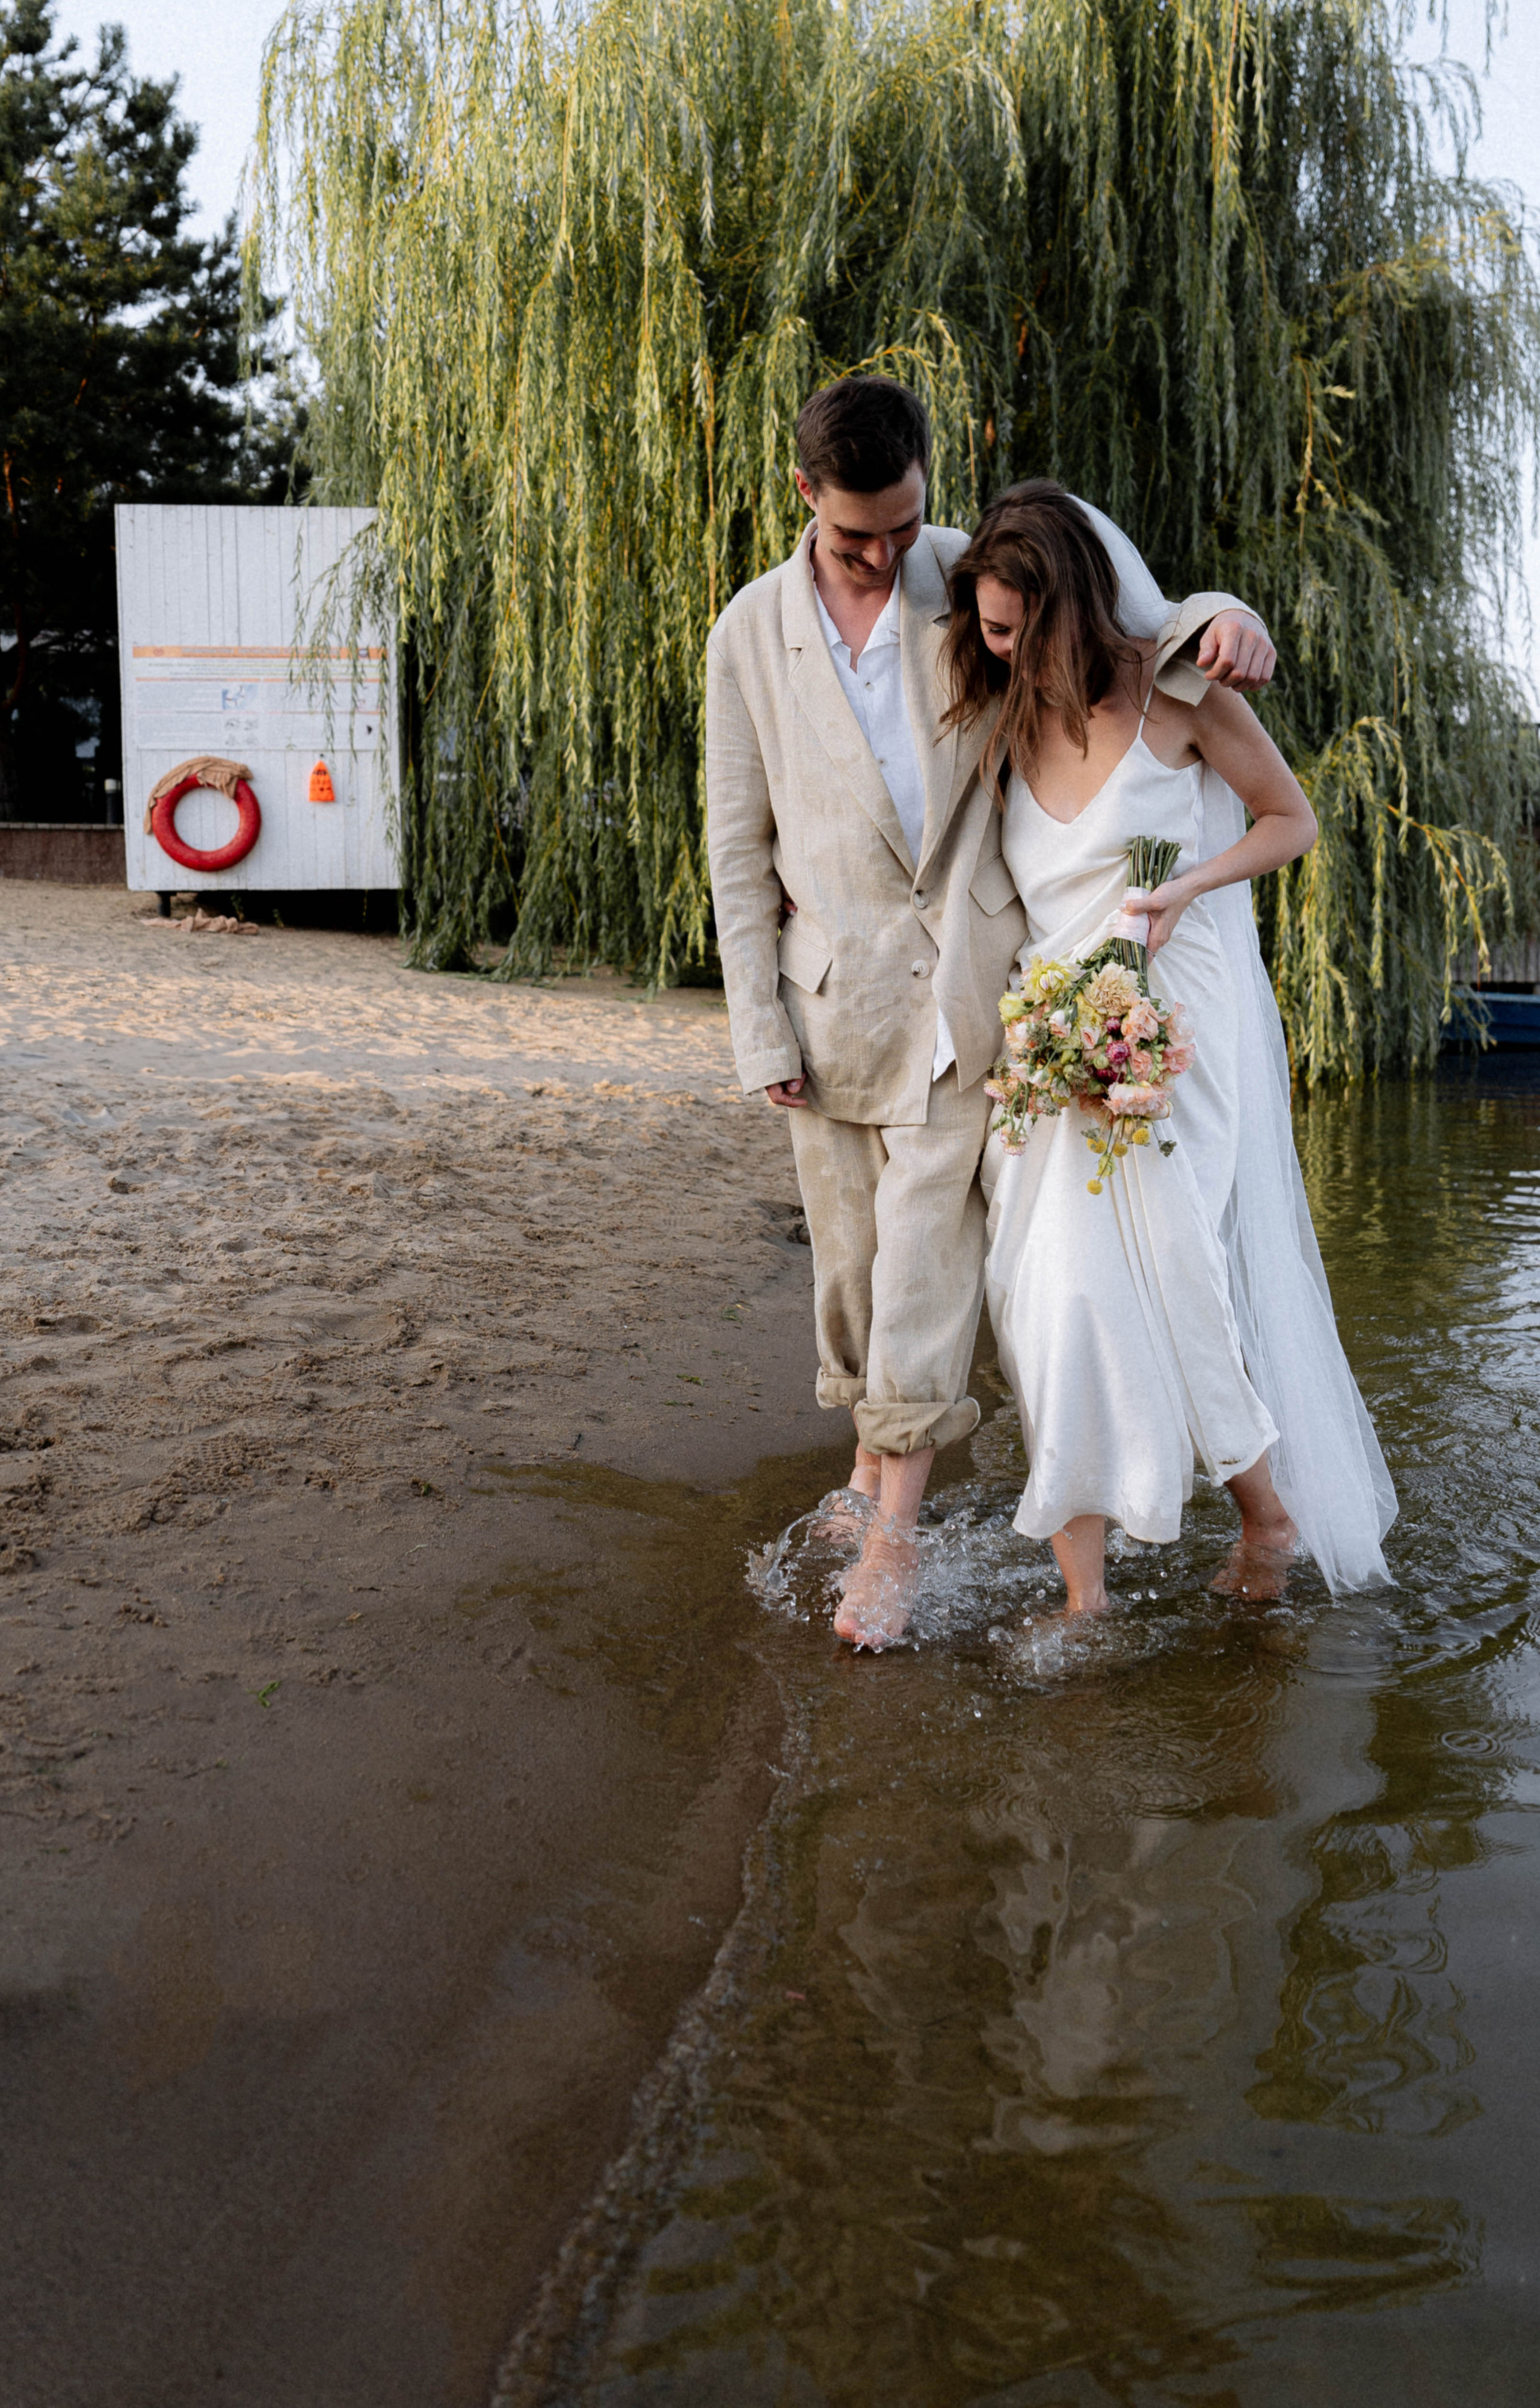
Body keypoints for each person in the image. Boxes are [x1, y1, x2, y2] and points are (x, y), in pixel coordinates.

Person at [705, 378, 1277, 1648]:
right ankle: (870, 1475)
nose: (885, 553)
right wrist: (759, 1027)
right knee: (852, 1270)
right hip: (824, 1000)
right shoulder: (746, 634)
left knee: (924, 1254)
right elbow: (735, 849)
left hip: (974, 990)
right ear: (805, 494)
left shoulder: (970, 577)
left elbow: (1133, 620)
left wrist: (1228, 614)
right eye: (859, 535)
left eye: (905, 525)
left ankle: (895, 1540)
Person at [943, 481, 1396, 1614]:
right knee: (1046, 1295)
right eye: (985, 625)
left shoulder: (1176, 691)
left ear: (1066, 614)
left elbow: (1289, 818)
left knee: (1175, 1273)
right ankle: (1086, 1594)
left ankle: (1268, 1515)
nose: (992, 647)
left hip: (1170, 1014)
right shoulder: (1003, 713)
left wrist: (1189, 884)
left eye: (1011, 627)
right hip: (1051, 1036)